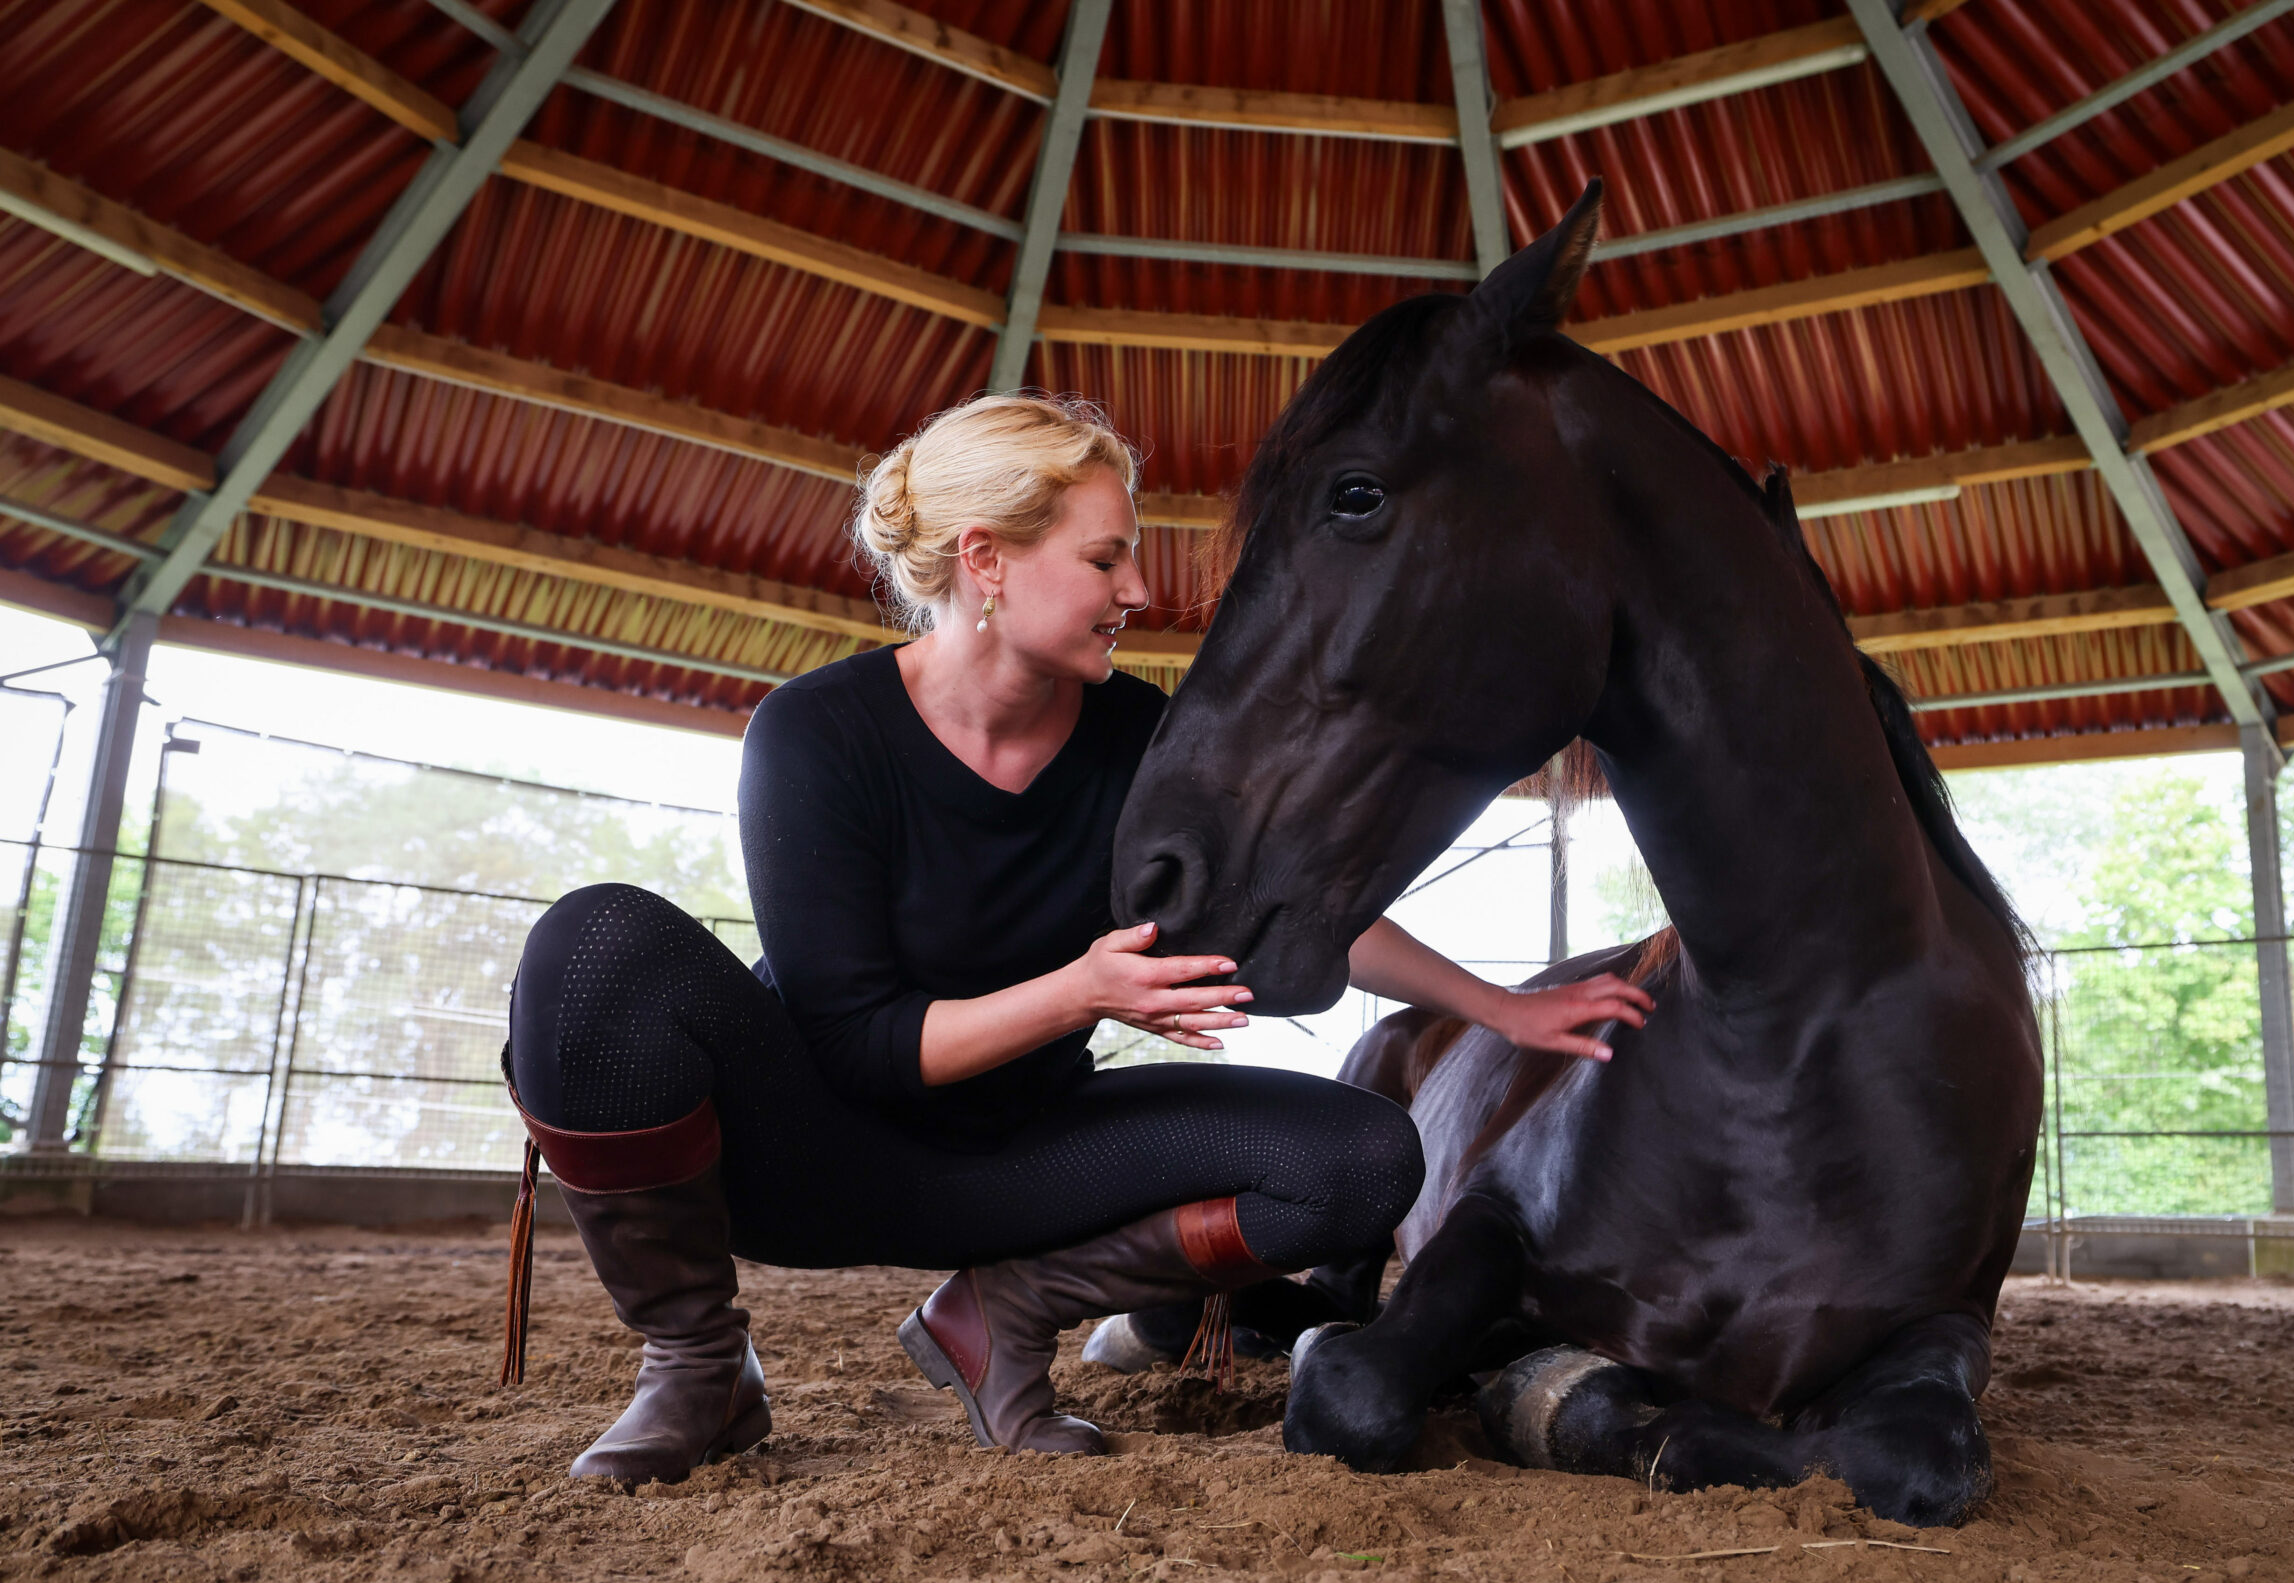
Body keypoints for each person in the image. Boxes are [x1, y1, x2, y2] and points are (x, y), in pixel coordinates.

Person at [500, 393, 1654, 1482]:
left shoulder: (1140, 737)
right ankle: (699, 1366)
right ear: (985, 559)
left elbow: (1288, 903)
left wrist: (1501, 1007)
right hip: (810, 1154)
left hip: (1022, 1155)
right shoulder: (817, 732)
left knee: (1361, 1157)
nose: (1138, 589)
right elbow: (854, 1042)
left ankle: (1004, 1310)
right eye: (1105, 557)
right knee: (594, 942)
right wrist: (1081, 991)